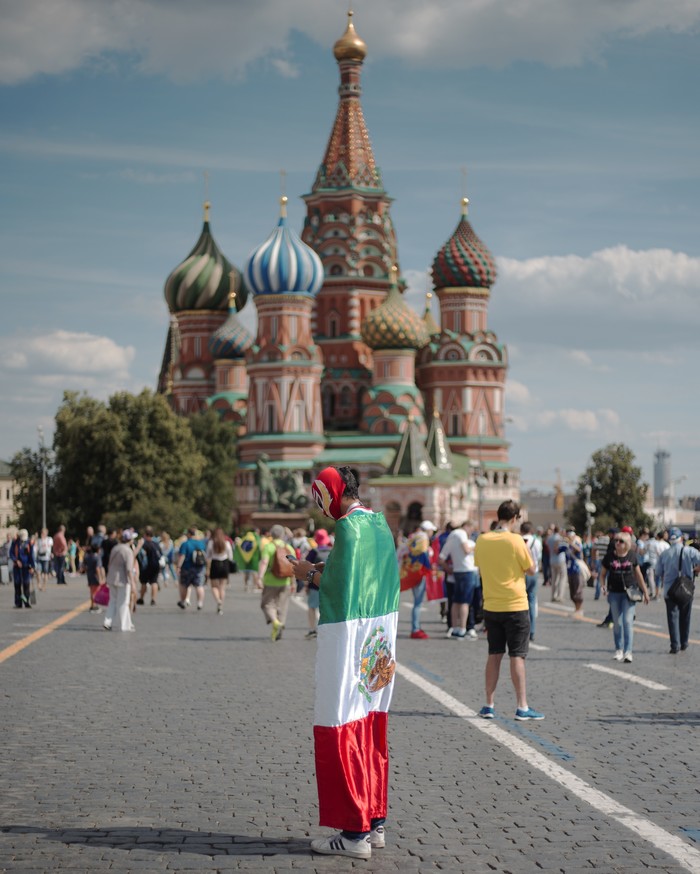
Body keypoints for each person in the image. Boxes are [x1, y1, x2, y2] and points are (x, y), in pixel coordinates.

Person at [291, 466, 399, 860]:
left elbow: (339, 585)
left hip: (352, 644)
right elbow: (364, 575)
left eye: (321, 498)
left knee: (341, 722)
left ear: (333, 494)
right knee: (370, 725)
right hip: (380, 642)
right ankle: (374, 821)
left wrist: (308, 574)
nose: (321, 507)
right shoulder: (378, 524)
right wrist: (323, 570)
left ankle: (354, 834)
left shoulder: (347, 530)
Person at [473, 500, 543, 721]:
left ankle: (488, 704)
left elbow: (479, 566)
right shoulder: (515, 540)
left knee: (494, 655)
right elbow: (531, 570)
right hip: (515, 605)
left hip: (491, 605)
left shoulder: (482, 539)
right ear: (515, 519)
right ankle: (522, 706)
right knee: (517, 656)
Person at [599, 530, 649, 662]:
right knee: (617, 623)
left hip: (629, 593)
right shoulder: (609, 556)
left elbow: (638, 575)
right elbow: (602, 574)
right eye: (616, 541)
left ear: (627, 543)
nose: (617, 543)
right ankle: (618, 649)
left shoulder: (632, 556)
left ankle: (628, 652)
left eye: (621, 541)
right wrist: (602, 586)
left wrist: (645, 591)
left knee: (627, 622)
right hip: (614, 593)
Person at [657, 527, 700, 654]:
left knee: (672, 618)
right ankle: (684, 642)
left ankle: (674, 645)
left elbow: (659, 572)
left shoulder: (665, 553)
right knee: (685, 616)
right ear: (681, 538)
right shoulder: (689, 551)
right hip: (686, 589)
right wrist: (695, 570)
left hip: (670, 591)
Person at [440, 519, 478, 640]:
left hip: (457, 571)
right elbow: (466, 549)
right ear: (467, 526)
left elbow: (441, 558)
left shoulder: (451, 536)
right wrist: (477, 547)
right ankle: (462, 629)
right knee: (465, 602)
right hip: (467, 571)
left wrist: (449, 569)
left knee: (456, 601)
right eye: (471, 530)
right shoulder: (461, 534)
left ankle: (455, 628)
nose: (471, 533)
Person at [256, 523, 295, 640]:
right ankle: (280, 624)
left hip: (270, 580)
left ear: (271, 534)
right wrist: (294, 582)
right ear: (283, 535)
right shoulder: (289, 547)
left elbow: (264, 562)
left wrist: (259, 577)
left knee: (266, 604)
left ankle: (275, 622)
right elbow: (293, 566)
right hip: (286, 581)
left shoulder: (268, 547)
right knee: (282, 606)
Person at [399, 520, 435, 639]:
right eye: (431, 531)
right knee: (418, 603)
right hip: (419, 572)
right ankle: (415, 628)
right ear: (428, 530)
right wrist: (428, 568)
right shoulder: (423, 538)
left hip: (410, 571)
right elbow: (423, 554)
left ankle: (416, 626)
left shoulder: (413, 537)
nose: (432, 533)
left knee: (417, 603)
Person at [103, 529, 136, 631]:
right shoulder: (128, 551)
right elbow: (129, 569)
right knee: (123, 602)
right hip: (122, 579)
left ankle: (107, 621)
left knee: (112, 601)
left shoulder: (115, 548)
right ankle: (124, 625)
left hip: (112, 577)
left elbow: (109, 563)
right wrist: (133, 583)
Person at [303, 528, 332, 639]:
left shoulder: (314, 551)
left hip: (314, 584)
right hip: (329, 584)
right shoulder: (332, 550)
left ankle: (312, 629)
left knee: (312, 607)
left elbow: (307, 568)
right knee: (325, 608)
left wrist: (306, 584)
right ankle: (326, 629)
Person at [520, 521, 542, 641]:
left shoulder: (518, 540)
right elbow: (538, 557)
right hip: (534, 572)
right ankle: (532, 631)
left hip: (522, 573)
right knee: (532, 601)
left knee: (521, 603)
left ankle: (523, 629)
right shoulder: (537, 541)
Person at [177, 527, 208, 610]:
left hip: (187, 567)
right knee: (199, 586)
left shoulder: (185, 544)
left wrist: (178, 566)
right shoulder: (201, 544)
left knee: (184, 585)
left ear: (188, 534)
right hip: (199, 568)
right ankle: (200, 603)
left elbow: (182, 556)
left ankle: (183, 601)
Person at [206, 527, 233, 614]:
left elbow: (208, 556)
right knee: (222, 587)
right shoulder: (226, 543)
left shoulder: (211, 543)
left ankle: (218, 600)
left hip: (215, 563)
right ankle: (221, 603)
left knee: (214, 586)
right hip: (224, 564)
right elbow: (230, 556)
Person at [136, 526, 163, 607]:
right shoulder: (156, 544)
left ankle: (141, 598)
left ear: (145, 535)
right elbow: (160, 555)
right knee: (154, 582)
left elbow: (140, 555)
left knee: (144, 582)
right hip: (156, 565)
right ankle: (153, 599)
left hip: (146, 566)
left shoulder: (144, 544)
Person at [10, 528, 35, 608]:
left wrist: (32, 567)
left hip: (26, 567)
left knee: (26, 584)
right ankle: (18, 603)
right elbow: (11, 553)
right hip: (17, 567)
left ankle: (27, 602)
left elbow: (31, 555)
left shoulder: (29, 543)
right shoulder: (15, 543)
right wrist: (16, 560)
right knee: (17, 585)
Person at [565, 527, 586, 618]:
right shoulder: (566, 545)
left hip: (577, 569)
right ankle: (576, 609)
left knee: (578, 590)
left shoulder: (577, 542)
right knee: (572, 592)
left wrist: (571, 543)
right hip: (569, 569)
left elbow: (579, 550)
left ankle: (579, 610)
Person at [84, 542, 105, 612]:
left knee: (92, 591)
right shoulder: (97, 558)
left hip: (89, 575)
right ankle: (94, 606)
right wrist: (100, 578)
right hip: (95, 576)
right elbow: (98, 568)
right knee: (96, 592)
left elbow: (84, 566)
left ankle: (92, 604)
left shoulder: (88, 557)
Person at [35, 527, 53, 591]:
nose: (42, 534)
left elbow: (48, 546)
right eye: (42, 533)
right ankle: (39, 584)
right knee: (38, 572)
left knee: (45, 573)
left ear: (46, 533)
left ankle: (44, 586)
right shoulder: (39, 540)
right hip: (39, 558)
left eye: (44, 533)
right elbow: (36, 548)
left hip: (46, 558)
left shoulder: (49, 539)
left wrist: (43, 541)